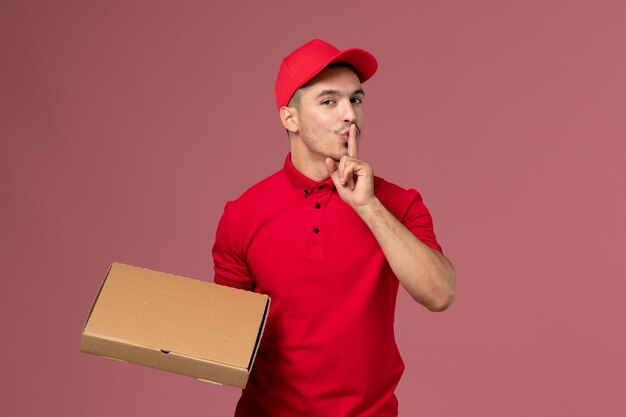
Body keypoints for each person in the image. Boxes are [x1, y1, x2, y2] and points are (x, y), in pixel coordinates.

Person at [212, 39, 456, 417]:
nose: (350, 115)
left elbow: (439, 294)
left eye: (356, 100)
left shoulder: (398, 204)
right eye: (329, 101)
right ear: (289, 118)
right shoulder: (242, 215)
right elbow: (223, 343)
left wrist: (368, 207)